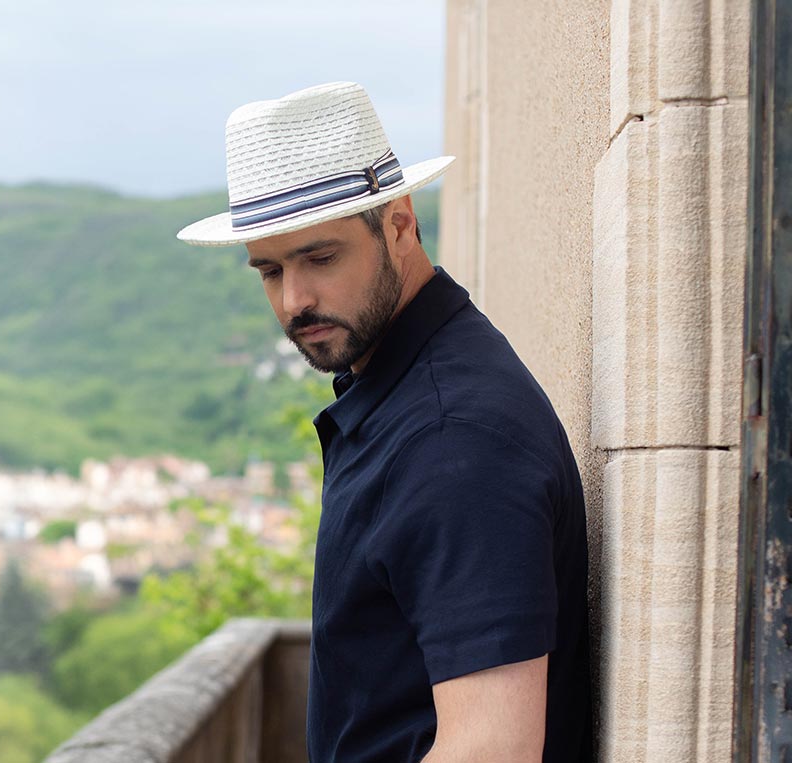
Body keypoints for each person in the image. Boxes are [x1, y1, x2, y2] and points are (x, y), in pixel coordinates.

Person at [177, 81, 592, 762]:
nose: (294, 299)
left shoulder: (451, 437)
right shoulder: (406, 393)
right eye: (269, 270)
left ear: (400, 226)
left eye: (320, 257)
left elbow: (490, 749)